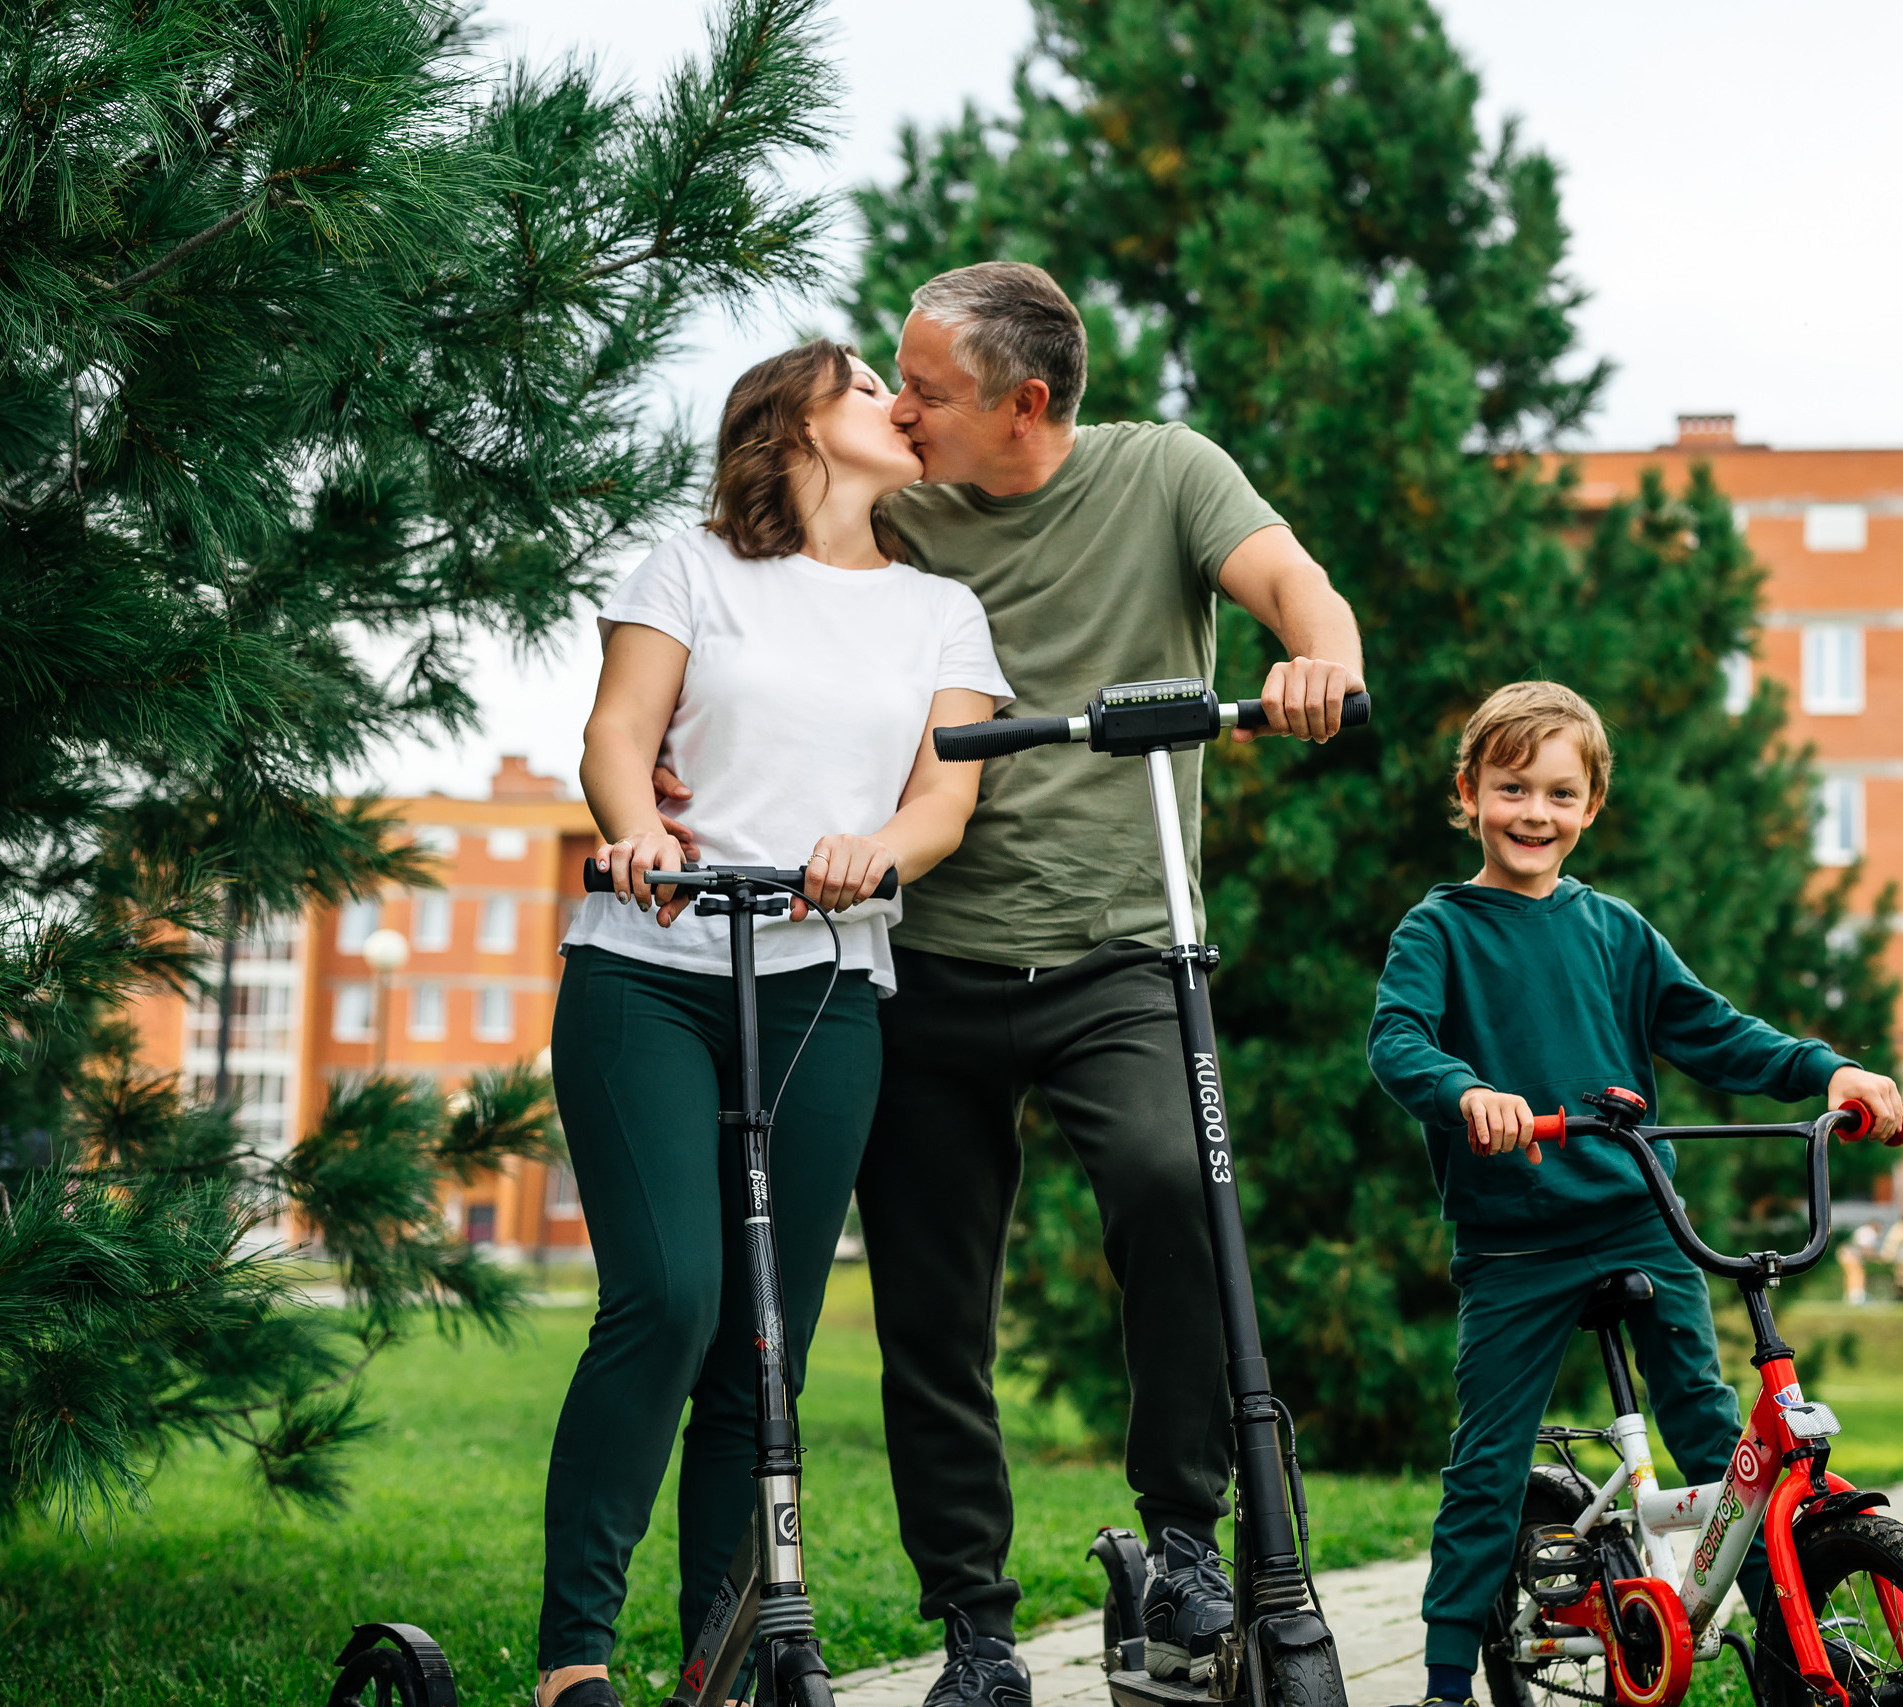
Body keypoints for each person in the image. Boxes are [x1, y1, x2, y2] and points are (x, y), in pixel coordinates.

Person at [651, 261, 1363, 1706]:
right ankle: (976, 1626)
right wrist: (674, 758)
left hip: (1121, 948)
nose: (898, 406)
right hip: (928, 961)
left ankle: (1181, 1538)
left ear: (1024, 403)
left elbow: (1292, 583)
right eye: (893, 382)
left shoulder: (1166, 473)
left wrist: (1321, 656)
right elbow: (760, 611)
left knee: (1174, 1186)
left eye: (926, 388)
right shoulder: (893, 499)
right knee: (930, 1305)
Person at [535, 340, 1014, 1707]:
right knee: (672, 1296)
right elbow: (617, 733)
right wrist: (633, 836)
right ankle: (576, 1654)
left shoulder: (940, 609)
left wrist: (877, 849)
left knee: (764, 1345)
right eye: (871, 386)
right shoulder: (685, 565)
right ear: (795, 415)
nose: (900, 407)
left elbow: (945, 800)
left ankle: (720, 1667)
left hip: (823, 983)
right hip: (655, 963)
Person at [1364, 681, 1903, 1707]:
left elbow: (1714, 1028)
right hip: (1516, 1245)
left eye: (1559, 793)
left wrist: (1825, 1070)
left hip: (1635, 1221)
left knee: (1716, 1440)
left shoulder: (1615, 932)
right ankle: (1442, 1684)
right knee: (1485, 1468)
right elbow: (1396, 1042)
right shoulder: (1438, 930)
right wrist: (1467, 1091)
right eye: (1511, 786)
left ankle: (1791, 1660)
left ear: (1591, 806)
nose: (1534, 812)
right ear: (1468, 792)